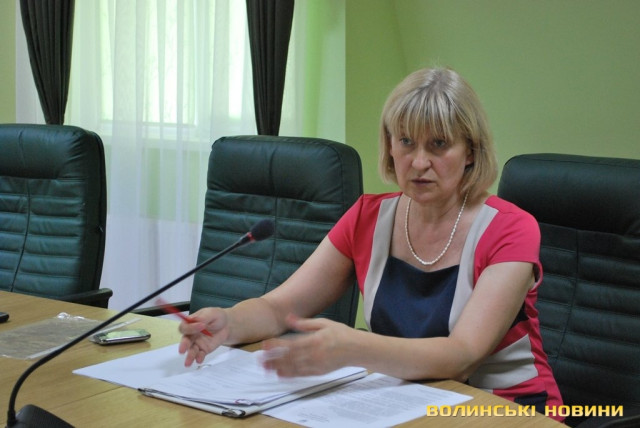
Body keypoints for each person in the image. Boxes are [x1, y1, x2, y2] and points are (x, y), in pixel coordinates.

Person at [178, 67, 564, 419]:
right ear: (390, 146)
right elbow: (279, 308)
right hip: (410, 405)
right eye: (406, 141)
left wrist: (353, 348)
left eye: (439, 144)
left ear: (470, 152)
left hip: (506, 409)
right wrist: (229, 323)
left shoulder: (511, 229)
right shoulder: (367, 217)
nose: (419, 162)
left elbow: (462, 357)